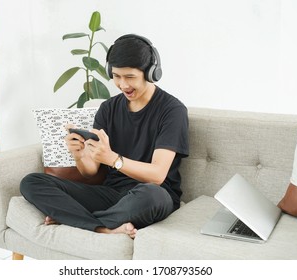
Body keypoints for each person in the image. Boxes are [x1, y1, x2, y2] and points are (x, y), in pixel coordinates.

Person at [20, 34, 189, 239]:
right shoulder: (108, 108)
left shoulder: (172, 110)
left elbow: (157, 175)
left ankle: (74, 219)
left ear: (151, 73)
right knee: (31, 182)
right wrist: (80, 155)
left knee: (152, 195)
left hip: (151, 195)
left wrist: (113, 160)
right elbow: (90, 172)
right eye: (116, 76)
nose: (122, 84)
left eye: (130, 77)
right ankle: (103, 228)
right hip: (111, 195)